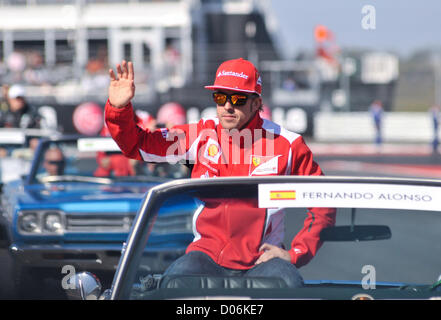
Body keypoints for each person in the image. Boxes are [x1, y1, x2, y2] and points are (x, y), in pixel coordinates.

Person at [104, 58, 336, 288]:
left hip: (263, 260)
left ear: (256, 104)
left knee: (290, 285)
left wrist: (296, 253)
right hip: (205, 257)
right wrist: (119, 110)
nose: (227, 105)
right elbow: (138, 145)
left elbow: (323, 201)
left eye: (237, 98)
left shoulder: (288, 144)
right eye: (220, 97)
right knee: (172, 285)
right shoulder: (200, 136)